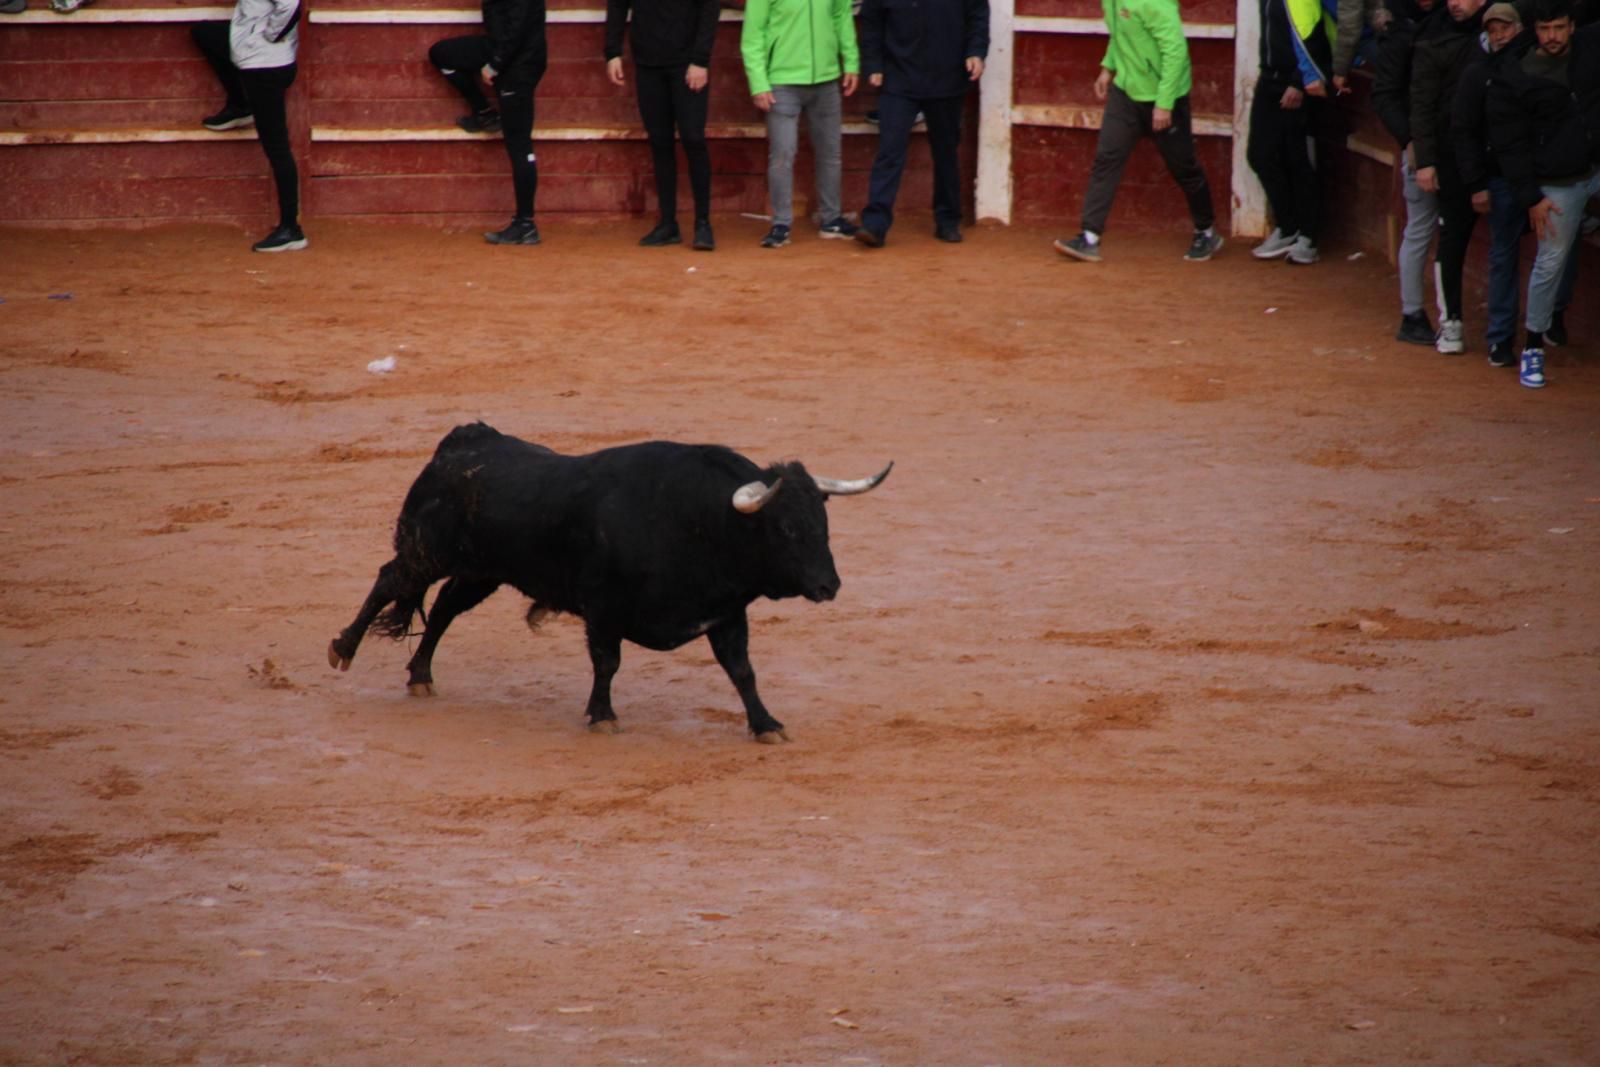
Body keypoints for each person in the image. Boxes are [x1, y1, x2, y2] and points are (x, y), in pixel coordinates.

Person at [1452, 1, 1580, 366]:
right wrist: (1476, 182)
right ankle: (1502, 338)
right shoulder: (1481, 73)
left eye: (1504, 29)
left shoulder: (1542, 64)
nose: (1498, 36)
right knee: (1506, 253)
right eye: (1492, 31)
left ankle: (1552, 318)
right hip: (1504, 178)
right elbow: (1465, 131)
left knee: (1559, 248)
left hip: (1547, 173)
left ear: (1520, 29)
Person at [1052, 0, 1225, 263]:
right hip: (1126, 93)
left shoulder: (1154, 3)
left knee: (1184, 166)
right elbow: (1121, 34)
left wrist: (1164, 104)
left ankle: (1206, 230)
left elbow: (1175, 51)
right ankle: (1089, 237)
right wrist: (1108, 68)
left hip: (1165, 96)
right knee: (1107, 158)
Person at [1485, 0, 1600, 387]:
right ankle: (1534, 346)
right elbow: (1510, 145)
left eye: (1560, 28)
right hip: (1558, 183)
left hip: (1595, 169)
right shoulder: (1515, 76)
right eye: (1545, 29)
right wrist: (1531, 197)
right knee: (1550, 262)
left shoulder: (1589, 46)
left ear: (1572, 26)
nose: (1553, 37)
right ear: (1535, 29)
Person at [853, 0, 989, 247]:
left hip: (947, 78)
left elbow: (978, 14)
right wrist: (873, 64)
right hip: (898, 79)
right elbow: (872, 21)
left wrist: (976, 52)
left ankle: (947, 221)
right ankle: (875, 224)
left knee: (946, 153)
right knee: (889, 151)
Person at [740, 0, 861, 247]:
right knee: (783, 154)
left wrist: (851, 61)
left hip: (826, 79)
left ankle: (831, 219)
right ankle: (781, 223)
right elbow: (753, 34)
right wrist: (759, 82)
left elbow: (841, 17)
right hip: (782, 81)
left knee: (830, 153)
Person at [605, 0, 721, 250]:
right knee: (660, 142)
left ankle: (703, 223)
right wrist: (613, 51)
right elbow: (617, 3)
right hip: (648, 63)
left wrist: (700, 59)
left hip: (687, 63)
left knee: (693, 138)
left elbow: (710, 6)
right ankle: (668, 223)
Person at [192, 0, 307, 252]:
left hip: (265, 65)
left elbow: (290, 5)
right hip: (258, 54)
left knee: (277, 148)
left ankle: (291, 229)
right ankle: (240, 104)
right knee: (205, 34)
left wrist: (268, 37)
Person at [1409, 0, 1489, 354]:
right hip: (1452, 159)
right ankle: (1451, 322)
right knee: (1453, 238)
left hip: (1501, 161)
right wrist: (1425, 162)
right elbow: (1422, 106)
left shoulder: (1509, 43)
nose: (1455, 2)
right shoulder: (1434, 42)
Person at [1369, 0, 1444, 343]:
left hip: (1447, 144)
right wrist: (1410, 141)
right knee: (1423, 227)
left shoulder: (1412, 29)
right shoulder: (1401, 35)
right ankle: (1417, 314)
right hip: (1421, 146)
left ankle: (1443, 317)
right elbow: (1385, 95)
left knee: (1428, 229)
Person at [1247, 0, 1333, 265]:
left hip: (1300, 83)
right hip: (1269, 78)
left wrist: (1298, 82)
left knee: (1298, 160)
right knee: (1259, 155)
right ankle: (1288, 226)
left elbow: (1314, 36)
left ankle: (1308, 236)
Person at [479, 0, 549, 245]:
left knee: (520, 145)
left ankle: (525, 223)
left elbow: (517, 27)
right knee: (519, 144)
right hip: (516, 61)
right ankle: (484, 113)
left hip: (517, 65)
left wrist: (496, 63)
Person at [429, 35, 501, 134]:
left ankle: (486, 113)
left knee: (441, 53)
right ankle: (486, 113)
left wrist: (495, 64)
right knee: (441, 53)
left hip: (507, 47)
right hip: (509, 45)